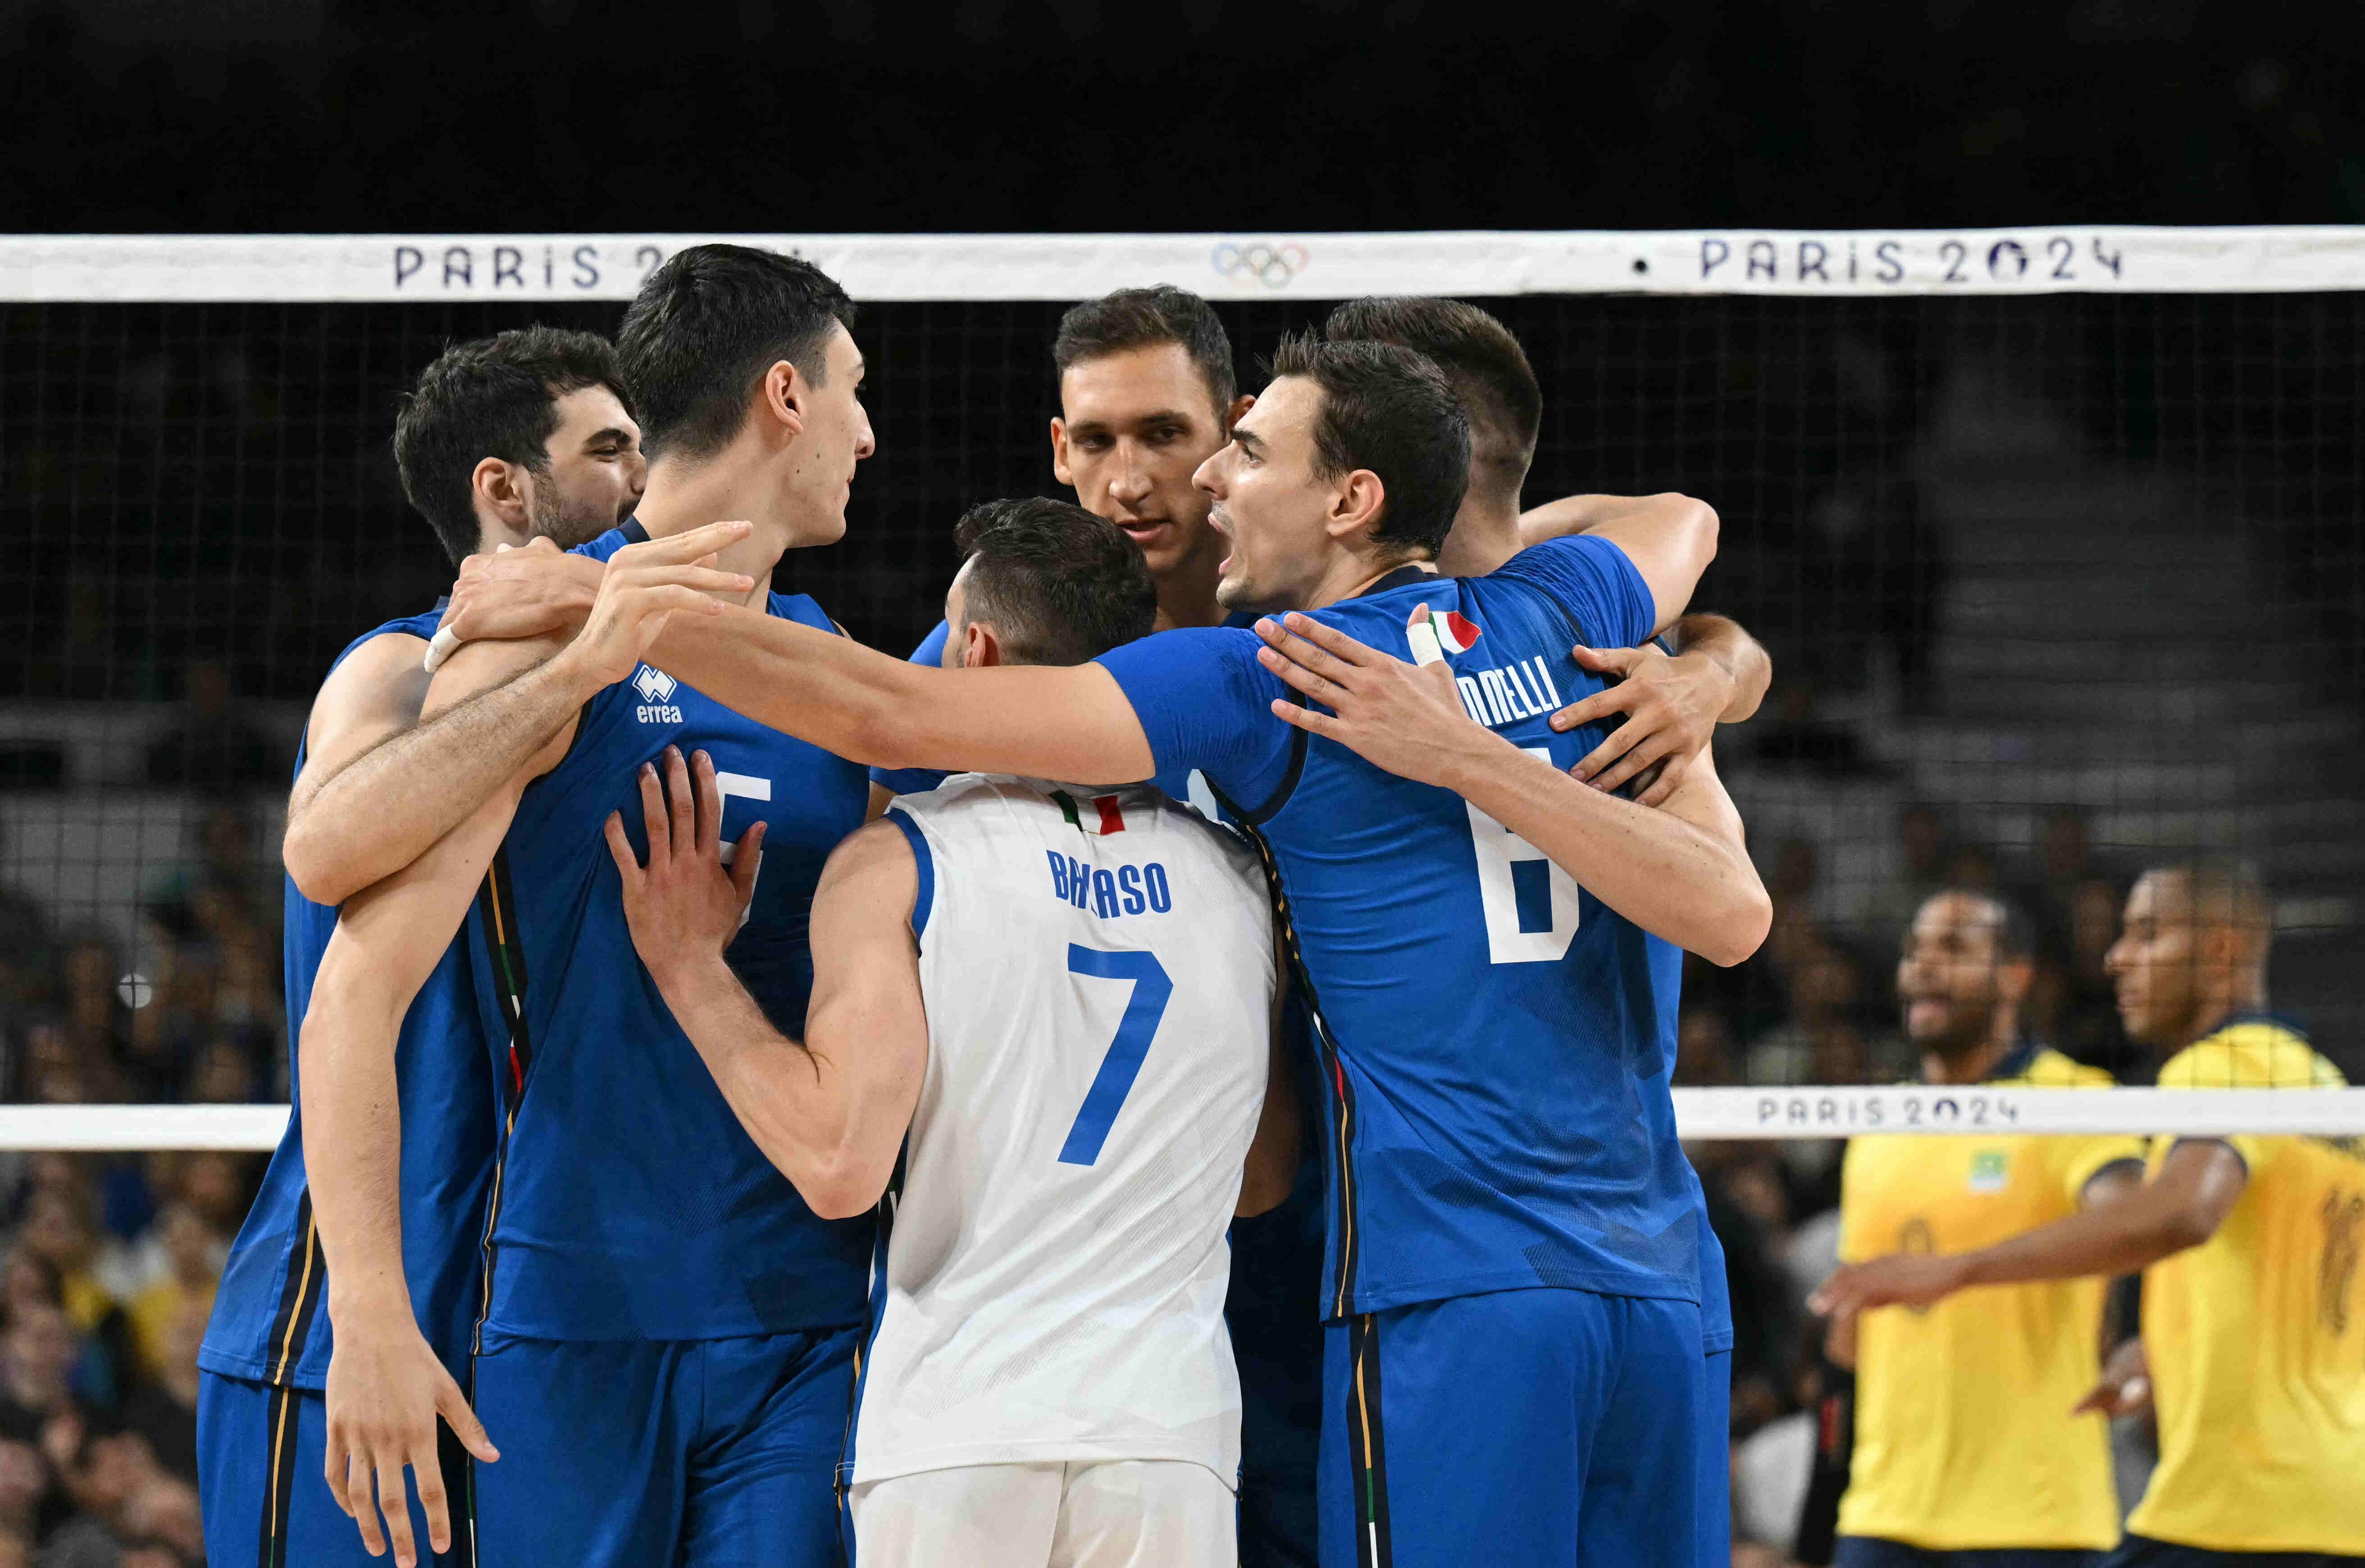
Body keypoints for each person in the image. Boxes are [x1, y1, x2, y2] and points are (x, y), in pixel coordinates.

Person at [550, 332, 1771, 1568]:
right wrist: (1715, 667)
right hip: (1633, 1278)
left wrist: (593, 605)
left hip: (1432, 1283)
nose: (1205, 481)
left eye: (1242, 450)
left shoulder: (1261, 679)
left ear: (1351, 499)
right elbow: (1685, 520)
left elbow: (885, 710)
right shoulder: (1566, 609)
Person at [296, 243, 879, 1568]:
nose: (866, 433)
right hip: (577, 1313)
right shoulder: (541, 633)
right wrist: (369, 1314)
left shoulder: (840, 668)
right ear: (786, 397)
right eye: (853, 390)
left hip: (805, 1319)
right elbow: (354, 992)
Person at [614, 497, 1299, 1564]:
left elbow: (840, 1163)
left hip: (961, 1425)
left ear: (972, 651)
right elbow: (1262, 1176)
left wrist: (690, 967)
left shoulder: (901, 858)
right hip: (1171, 1436)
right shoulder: (1242, 872)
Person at [194, 324, 648, 1568]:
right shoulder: (393, 668)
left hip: (513, 1324)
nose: (640, 478)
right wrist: (367, 1320)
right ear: (505, 488)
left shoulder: (624, 692)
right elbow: (326, 855)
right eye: (608, 449)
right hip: (339, 1323)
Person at [1813, 862, 2364, 1568]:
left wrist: (1957, 1269)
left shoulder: (2214, 1069)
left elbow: (2177, 1214)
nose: (2115, 958)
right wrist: (2158, 1342)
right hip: (2336, 1498)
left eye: (2147, 935)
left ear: (2220, 950)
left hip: (2239, 1506)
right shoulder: (2324, 1087)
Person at [1823, 890, 2142, 1568]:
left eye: (1954, 947)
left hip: (2034, 1516)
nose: (1924, 964)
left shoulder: (2072, 1099)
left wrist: (1960, 1270)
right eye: (1914, 949)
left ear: (2014, 976)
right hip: (1884, 1512)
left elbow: (2132, 1219)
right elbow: (1852, 1334)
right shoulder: (1879, 1124)